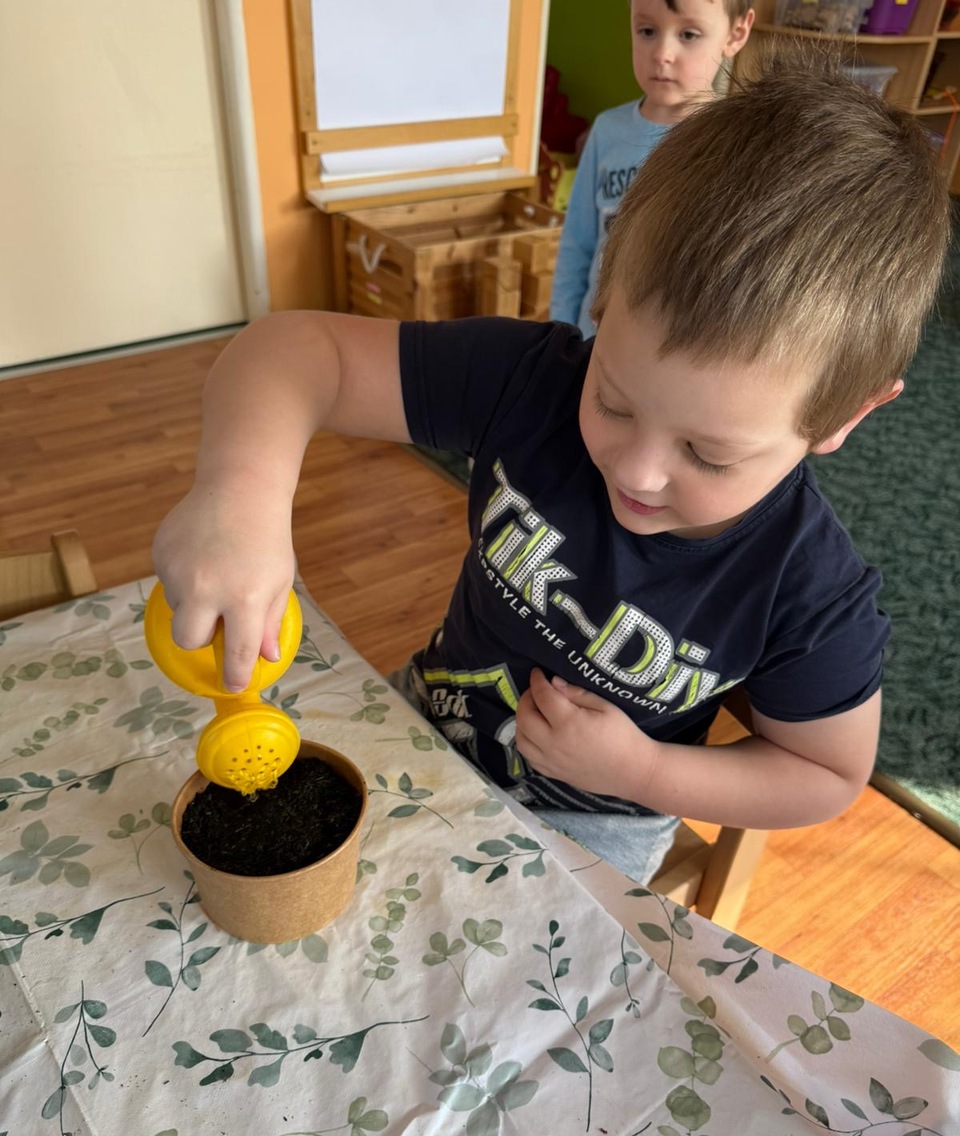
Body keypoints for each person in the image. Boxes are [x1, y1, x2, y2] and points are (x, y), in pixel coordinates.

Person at [152, 51, 950, 886]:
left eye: (708, 453)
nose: (637, 472)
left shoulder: (813, 594)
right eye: (614, 399)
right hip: (427, 717)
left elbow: (824, 774)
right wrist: (238, 495)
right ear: (604, 300)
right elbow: (293, 351)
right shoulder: (530, 381)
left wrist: (643, 770)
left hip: (597, 817)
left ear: (847, 414)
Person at [549, 0, 754, 337]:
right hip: (590, 344)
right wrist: (560, 335)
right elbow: (577, 246)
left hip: (673, 351)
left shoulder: (737, 146)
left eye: (688, 35)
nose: (662, 53)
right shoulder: (606, 130)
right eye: (647, 31)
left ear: (735, 34)